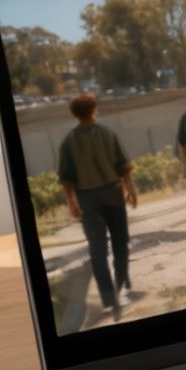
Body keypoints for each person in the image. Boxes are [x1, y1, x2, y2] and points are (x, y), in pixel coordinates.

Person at [57, 92, 138, 323]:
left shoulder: (68, 142)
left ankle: (108, 297)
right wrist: (130, 189)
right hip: (112, 194)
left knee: (97, 249)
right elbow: (123, 167)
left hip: (87, 199)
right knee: (121, 242)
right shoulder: (107, 133)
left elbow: (66, 178)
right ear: (94, 110)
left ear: (75, 114)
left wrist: (71, 202)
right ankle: (119, 285)